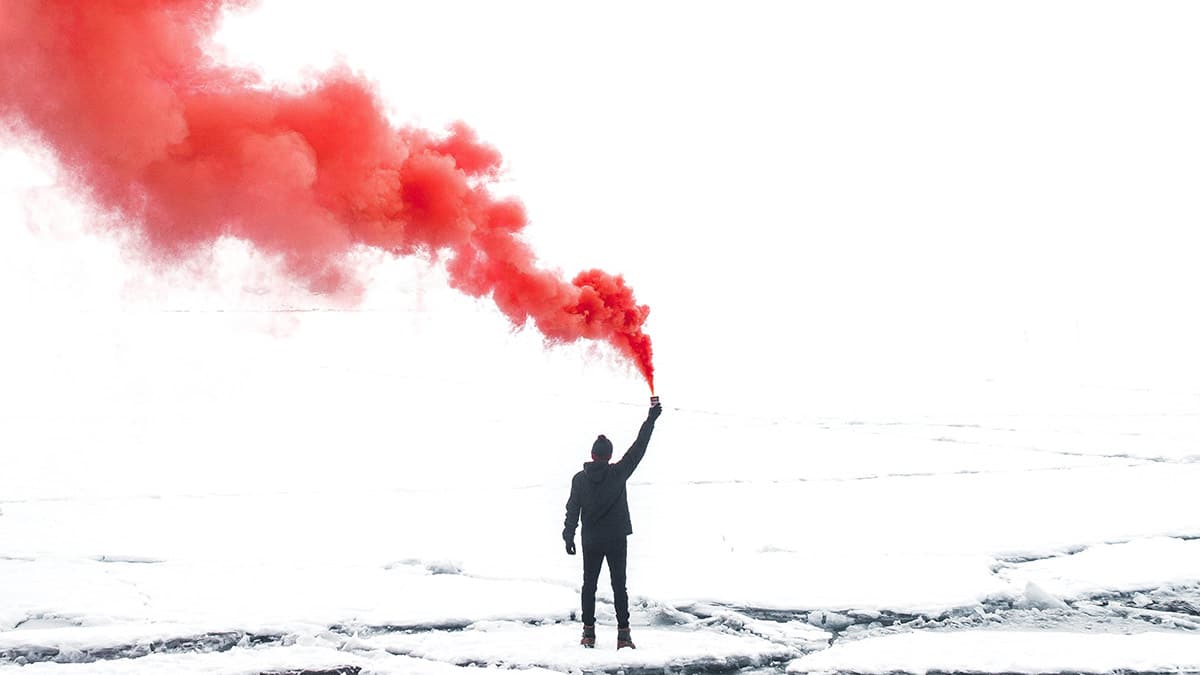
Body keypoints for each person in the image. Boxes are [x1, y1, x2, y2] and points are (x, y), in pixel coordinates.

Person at [562, 400, 662, 649]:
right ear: (609, 456)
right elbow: (638, 448)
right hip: (617, 539)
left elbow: (572, 509)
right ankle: (623, 636)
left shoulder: (579, 480)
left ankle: (588, 634)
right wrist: (651, 419)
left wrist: (569, 535)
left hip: (591, 540)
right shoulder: (618, 473)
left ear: (593, 455)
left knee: (589, 586)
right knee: (619, 586)